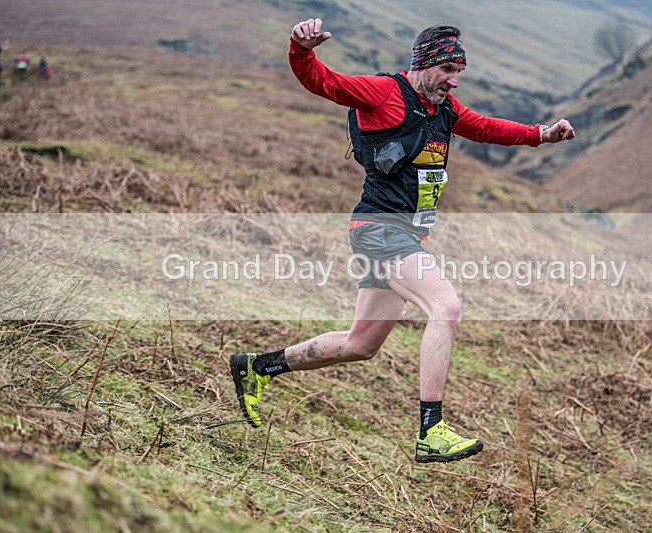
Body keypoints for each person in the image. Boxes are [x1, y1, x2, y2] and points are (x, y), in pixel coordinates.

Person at [230, 17, 575, 463]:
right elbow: (324, 83)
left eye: (459, 73)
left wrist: (540, 135)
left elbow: (487, 127)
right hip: (379, 229)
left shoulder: (444, 110)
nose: (453, 81)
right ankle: (431, 431)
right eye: (447, 70)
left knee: (361, 345)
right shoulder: (384, 93)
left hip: (398, 233)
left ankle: (257, 367)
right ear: (423, 63)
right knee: (445, 306)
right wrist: (301, 49)